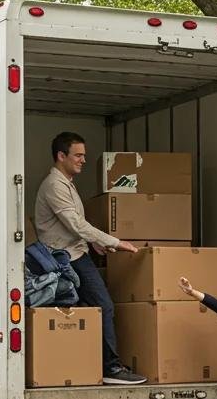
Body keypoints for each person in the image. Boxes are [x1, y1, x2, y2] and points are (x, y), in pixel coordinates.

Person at [34, 131, 147, 385]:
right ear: (61, 156)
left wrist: (93, 241)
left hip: (75, 252)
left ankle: (88, 366)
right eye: (78, 155)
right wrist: (114, 241)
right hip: (67, 259)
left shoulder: (66, 183)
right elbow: (75, 223)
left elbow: (73, 226)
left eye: (84, 155)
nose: (83, 160)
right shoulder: (54, 185)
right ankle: (111, 368)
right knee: (103, 305)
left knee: (85, 312)